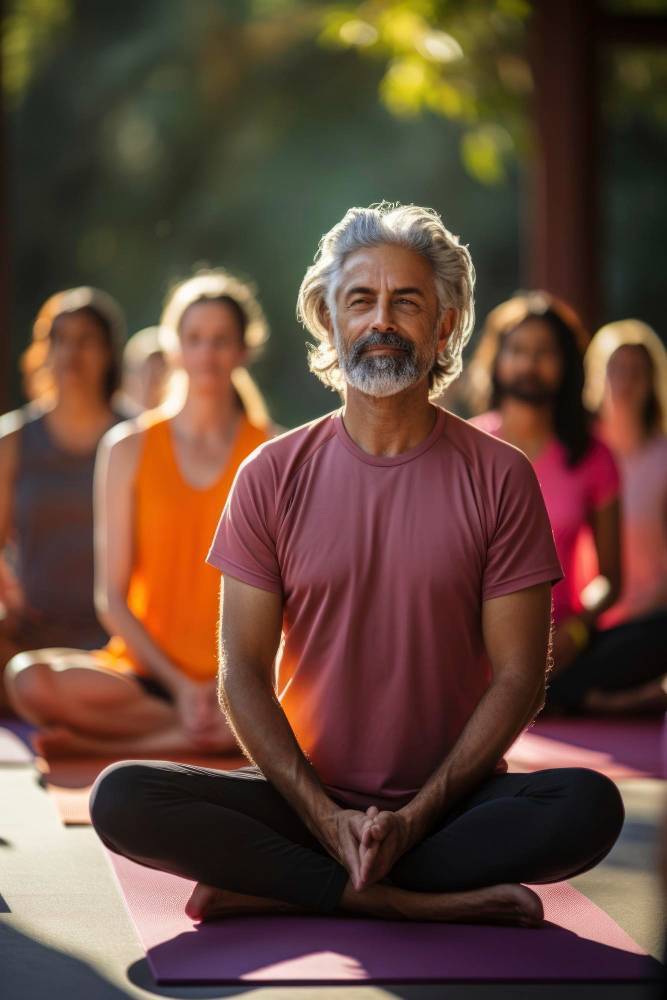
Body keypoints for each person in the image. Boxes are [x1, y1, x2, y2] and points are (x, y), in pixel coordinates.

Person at [89, 204, 623, 928]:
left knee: (587, 806)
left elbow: (520, 678)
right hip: (302, 795)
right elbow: (241, 675)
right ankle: (397, 897)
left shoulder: (501, 476)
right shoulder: (269, 473)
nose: (381, 321)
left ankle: (288, 885)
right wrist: (322, 816)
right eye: (361, 300)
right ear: (328, 319)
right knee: (122, 796)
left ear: (444, 325)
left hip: (450, 802)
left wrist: (413, 817)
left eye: (407, 302)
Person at [5, 270, 272, 755]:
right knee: (27, 680)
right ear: (174, 347)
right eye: (194, 339)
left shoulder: (274, 449)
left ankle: (130, 742)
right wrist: (180, 687)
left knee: (311, 700)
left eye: (221, 341)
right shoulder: (127, 447)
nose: (207, 354)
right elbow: (111, 598)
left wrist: (234, 683)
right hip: (144, 674)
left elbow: (283, 595)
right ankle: (197, 734)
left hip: (238, 678)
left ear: (243, 350)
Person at [467, 293, 622, 694]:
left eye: (544, 352)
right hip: (473, 643)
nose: (529, 363)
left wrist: (578, 631)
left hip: (562, 647)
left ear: (566, 364)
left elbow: (610, 578)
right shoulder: (465, 446)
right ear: (497, 360)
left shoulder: (593, 455)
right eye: (518, 350)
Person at [0, 287, 126, 712]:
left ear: (108, 353)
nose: (72, 353)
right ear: (44, 350)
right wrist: (9, 597)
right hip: (28, 637)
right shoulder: (13, 440)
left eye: (86, 339)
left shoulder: (137, 439)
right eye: (60, 339)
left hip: (116, 642)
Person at [548, 319, 667, 714]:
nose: (626, 381)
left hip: (647, 622)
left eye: (637, 371)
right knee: (550, 667)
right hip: (584, 624)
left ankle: (587, 696)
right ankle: (609, 699)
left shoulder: (663, 458)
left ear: (652, 380)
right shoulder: (577, 453)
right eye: (616, 369)